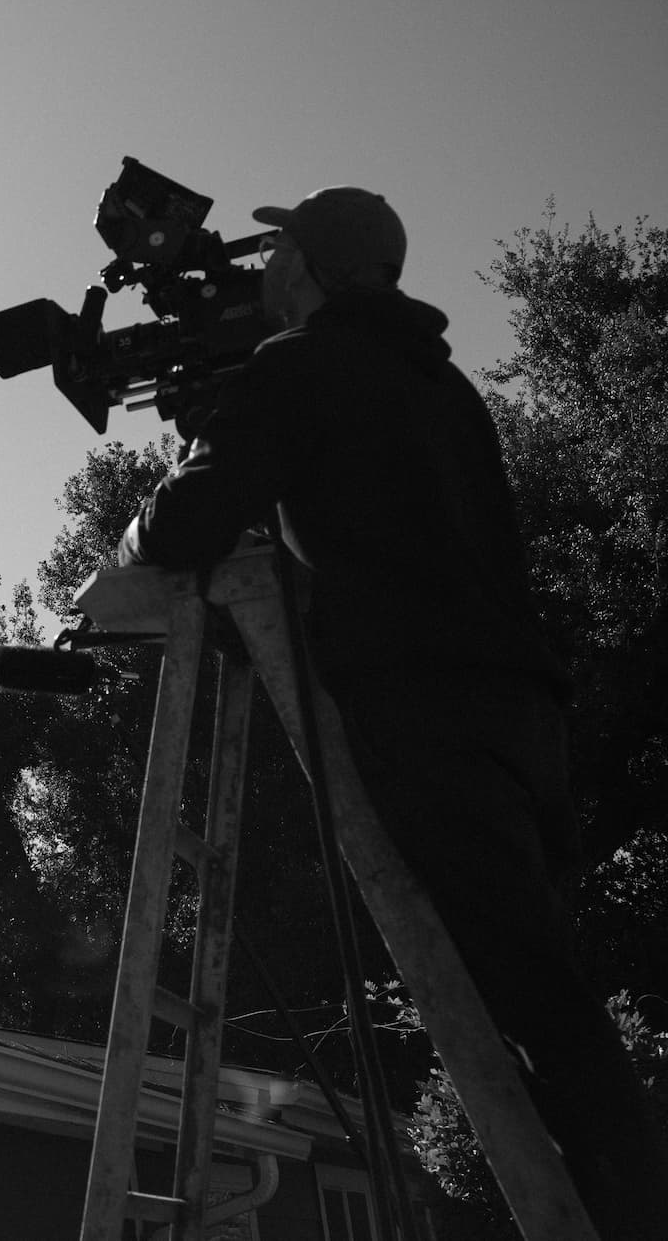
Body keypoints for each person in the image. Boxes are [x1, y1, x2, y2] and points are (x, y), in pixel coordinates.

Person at [118, 185, 668, 1237]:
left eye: (279, 246)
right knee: (542, 990)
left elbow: (192, 520)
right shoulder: (441, 381)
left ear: (311, 267)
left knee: (536, 1004)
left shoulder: (301, 366)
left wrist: (146, 523)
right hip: (521, 710)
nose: (264, 262)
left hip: (428, 704)